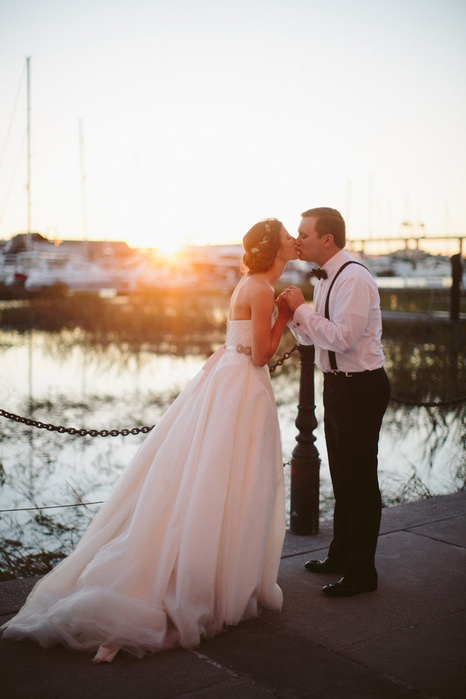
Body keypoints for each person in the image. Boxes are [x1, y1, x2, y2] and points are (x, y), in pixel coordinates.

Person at [2, 218, 298, 661]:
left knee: (224, 476)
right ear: (275, 247)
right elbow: (260, 353)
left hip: (233, 382)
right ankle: (220, 583)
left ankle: (223, 574)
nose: (294, 240)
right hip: (242, 386)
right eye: (288, 237)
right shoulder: (258, 289)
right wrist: (287, 316)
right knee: (237, 478)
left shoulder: (248, 285)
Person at [282, 207, 390, 597]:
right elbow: (316, 339)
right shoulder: (325, 278)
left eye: (304, 234)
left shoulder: (354, 278)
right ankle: (340, 555)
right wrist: (297, 317)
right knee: (343, 477)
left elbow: (343, 338)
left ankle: (363, 574)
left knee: (360, 482)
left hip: (361, 387)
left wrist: (301, 311)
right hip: (338, 387)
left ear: (327, 239)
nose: (298, 240)